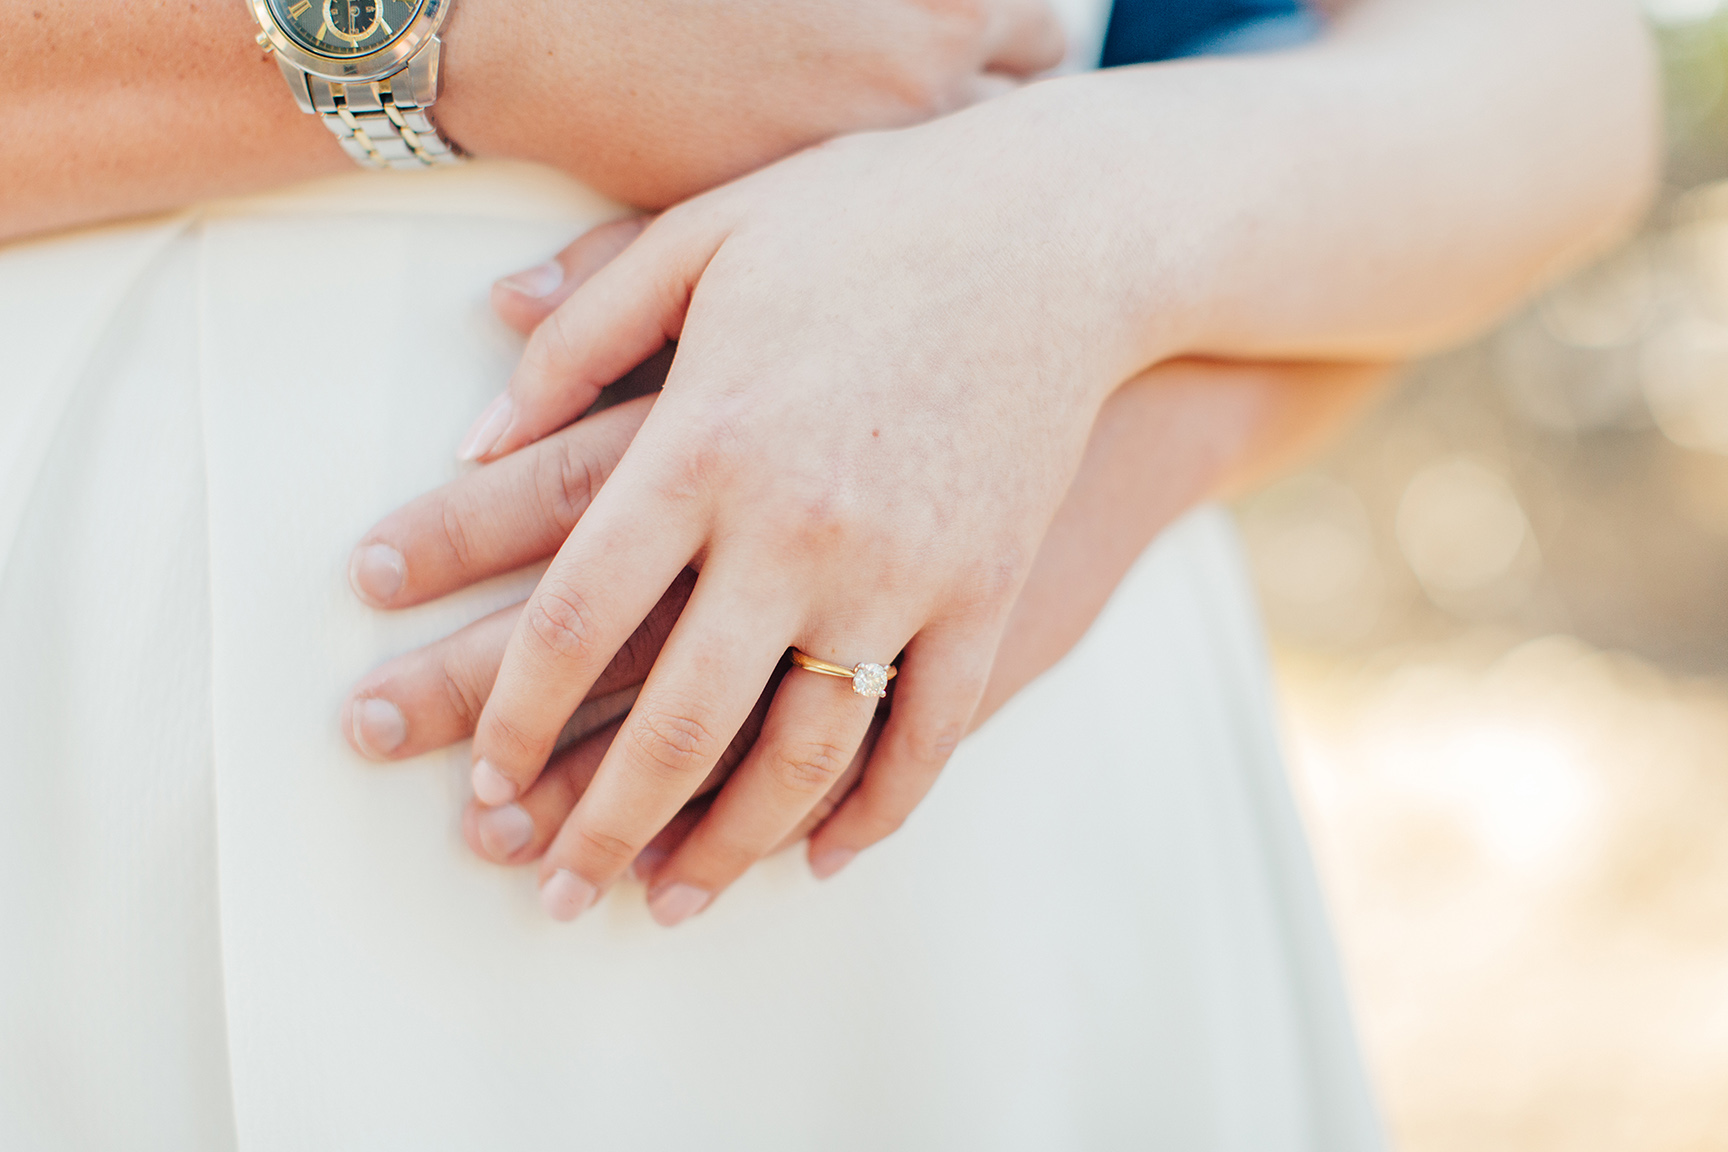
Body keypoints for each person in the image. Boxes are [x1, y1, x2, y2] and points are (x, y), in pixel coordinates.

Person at [0, 0, 1654, 1149]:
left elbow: (1563, 83)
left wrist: (1081, 254)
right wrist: (481, 43)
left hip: (977, 796)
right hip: (71, 754)